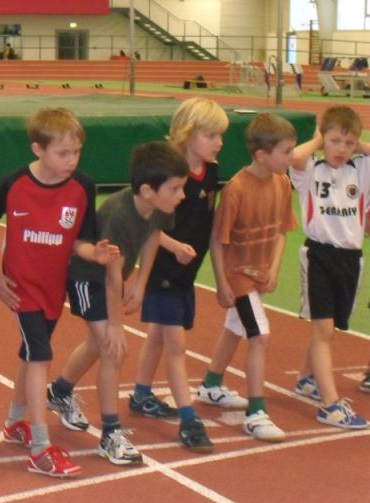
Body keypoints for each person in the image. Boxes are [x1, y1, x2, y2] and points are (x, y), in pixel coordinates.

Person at [0, 107, 119, 478]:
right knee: (40, 357)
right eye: (63, 153)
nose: (72, 161)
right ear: (38, 149)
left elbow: (79, 241)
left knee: (30, 354)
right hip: (22, 288)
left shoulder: (82, 187)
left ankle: (14, 422)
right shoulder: (15, 184)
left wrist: (95, 254)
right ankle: (40, 448)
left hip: (55, 286)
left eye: (77, 152)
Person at [47, 142, 186, 465]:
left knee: (98, 346)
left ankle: (59, 392)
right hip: (87, 278)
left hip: (112, 276)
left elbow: (153, 236)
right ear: (148, 191)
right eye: (175, 189)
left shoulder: (158, 206)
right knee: (113, 349)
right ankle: (110, 434)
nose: (181, 195)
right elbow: (111, 277)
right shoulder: (117, 215)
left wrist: (140, 282)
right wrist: (116, 325)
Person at [125, 97, 230, 452]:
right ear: (187, 134)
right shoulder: (168, 175)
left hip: (187, 271)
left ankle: (141, 394)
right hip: (162, 267)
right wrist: (173, 247)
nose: (219, 142)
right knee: (176, 343)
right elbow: (149, 226)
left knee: (158, 334)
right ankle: (189, 419)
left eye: (220, 135)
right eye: (211, 135)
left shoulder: (211, 171)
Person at [198, 113, 298, 442]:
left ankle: (211, 384)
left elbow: (282, 232)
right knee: (259, 336)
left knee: (234, 328)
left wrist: (274, 268)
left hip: (260, 274)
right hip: (238, 275)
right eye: (286, 152)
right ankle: (256, 413)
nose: (291, 157)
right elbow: (218, 240)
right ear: (262, 155)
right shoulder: (237, 190)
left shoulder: (282, 183)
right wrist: (222, 282)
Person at [289, 106, 370, 429]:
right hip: (319, 256)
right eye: (335, 141)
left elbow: (359, 151)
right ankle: (330, 405)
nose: (342, 149)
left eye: (348, 143)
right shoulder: (312, 169)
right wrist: (319, 140)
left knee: (330, 327)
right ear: (323, 140)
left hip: (350, 258)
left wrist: (357, 143)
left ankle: (305, 378)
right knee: (323, 330)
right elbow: (295, 156)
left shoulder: (360, 170)